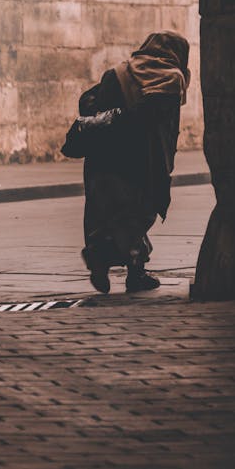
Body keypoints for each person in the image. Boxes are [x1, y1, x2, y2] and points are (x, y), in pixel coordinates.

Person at [79, 31, 190, 294]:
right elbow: (165, 128)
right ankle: (126, 268)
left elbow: (94, 106)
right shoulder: (172, 79)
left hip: (105, 158)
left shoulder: (118, 72)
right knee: (138, 215)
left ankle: (105, 259)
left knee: (109, 214)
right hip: (142, 161)